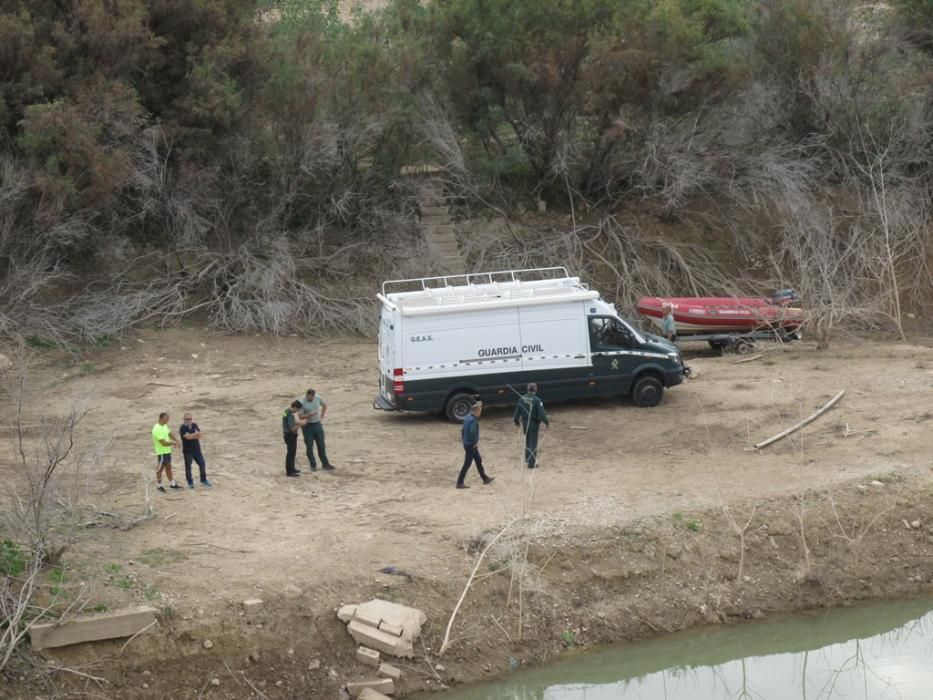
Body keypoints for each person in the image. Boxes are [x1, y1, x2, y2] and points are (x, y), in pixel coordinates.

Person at [456, 402, 494, 489]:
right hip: (471, 445)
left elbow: (463, 430)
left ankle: (485, 478)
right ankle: (459, 482)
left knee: (478, 460)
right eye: (480, 411)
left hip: (467, 443)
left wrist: (464, 439)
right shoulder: (474, 420)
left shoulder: (467, 418)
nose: (480, 413)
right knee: (467, 463)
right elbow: (473, 432)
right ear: (476, 411)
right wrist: (475, 442)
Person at [512, 383, 550, 469]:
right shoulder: (537, 400)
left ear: (527, 389)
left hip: (525, 423)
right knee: (533, 442)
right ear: (535, 389)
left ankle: (528, 459)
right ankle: (531, 463)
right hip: (533, 423)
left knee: (527, 441)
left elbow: (517, 412)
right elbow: (542, 414)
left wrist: (516, 422)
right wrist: (547, 422)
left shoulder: (522, 398)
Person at [298, 388, 335, 471]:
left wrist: (321, 416)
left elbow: (324, 405)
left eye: (312, 397)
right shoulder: (301, 402)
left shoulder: (317, 398)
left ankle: (325, 464)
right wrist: (308, 414)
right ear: (306, 395)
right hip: (307, 426)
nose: (310, 399)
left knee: (321, 445)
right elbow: (300, 416)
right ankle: (313, 464)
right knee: (309, 446)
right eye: (309, 397)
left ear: (314, 395)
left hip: (317, 424)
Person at [179, 413, 211, 488]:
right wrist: (195, 434)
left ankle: (203, 479)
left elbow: (200, 435)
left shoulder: (194, 425)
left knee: (202, 464)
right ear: (184, 419)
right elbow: (188, 438)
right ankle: (190, 482)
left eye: (190, 419)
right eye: (187, 419)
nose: (189, 421)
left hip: (197, 450)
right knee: (188, 467)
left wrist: (191, 435)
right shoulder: (182, 428)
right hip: (188, 451)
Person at [151, 412, 181, 493]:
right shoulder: (156, 429)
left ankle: (172, 484)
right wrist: (174, 443)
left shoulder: (164, 425)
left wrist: (176, 440)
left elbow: (169, 433)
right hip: (161, 452)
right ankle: (159, 485)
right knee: (159, 469)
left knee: (168, 467)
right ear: (161, 418)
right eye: (166, 419)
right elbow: (163, 443)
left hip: (167, 451)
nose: (168, 421)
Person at [282, 400, 307, 477]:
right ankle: (289, 472)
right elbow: (292, 428)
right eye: (298, 409)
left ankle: (292, 469)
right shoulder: (289, 414)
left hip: (288, 435)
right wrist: (301, 424)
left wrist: (299, 422)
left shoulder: (286, 411)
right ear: (295, 407)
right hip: (290, 436)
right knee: (290, 453)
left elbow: (292, 423)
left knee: (292, 453)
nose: (297, 411)